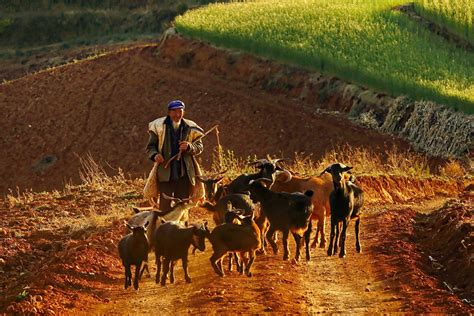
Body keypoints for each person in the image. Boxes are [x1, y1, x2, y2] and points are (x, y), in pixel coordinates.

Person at [146, 100, 205, 212]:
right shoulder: (158, 126)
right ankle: (164, 228)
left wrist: (189, 147)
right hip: (165, 172)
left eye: (180, 111)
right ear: (169, 112)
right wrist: (155, 155)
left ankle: (182, 228)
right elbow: (150, 147)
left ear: (184, 112)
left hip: (184, 173)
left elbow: (199, 147)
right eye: (174, 112)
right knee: (165, 206)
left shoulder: (191, 127)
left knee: (183, 206)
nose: (178, 115)